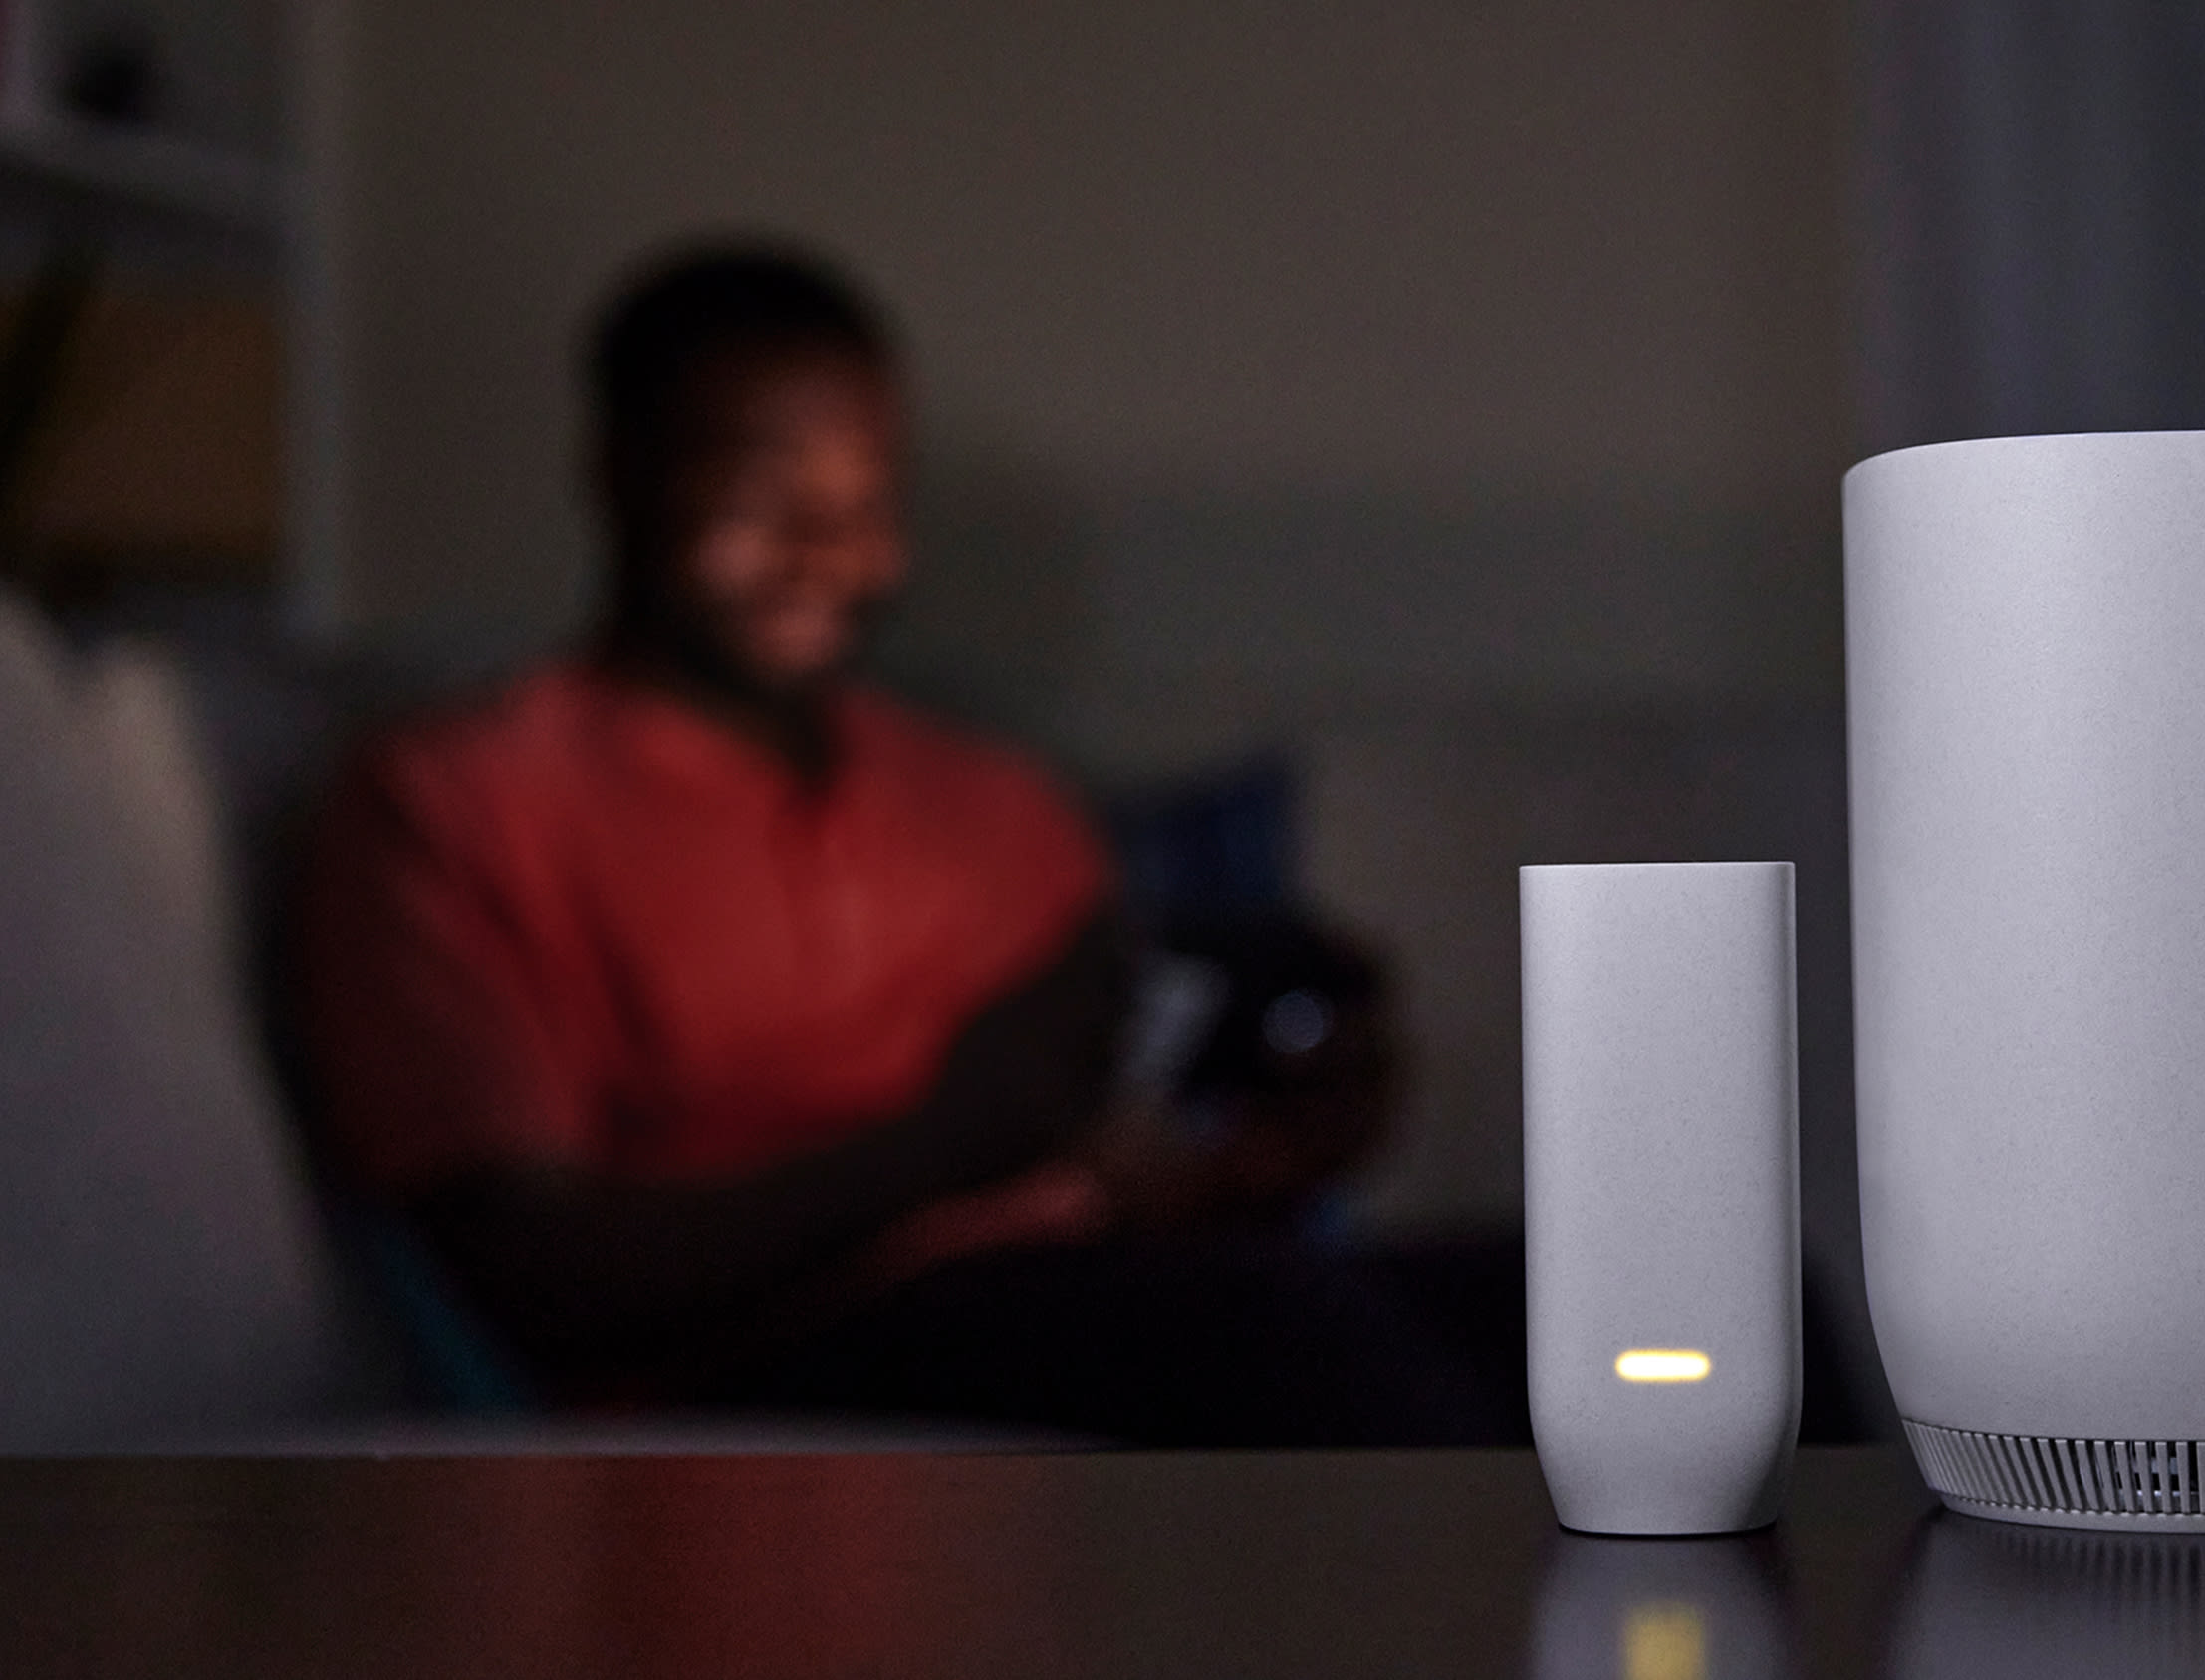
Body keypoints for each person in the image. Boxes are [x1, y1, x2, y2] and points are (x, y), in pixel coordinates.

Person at [295, 244, 1494, 1444]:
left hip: (1114, 1287)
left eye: (866, 503)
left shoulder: (998, 802)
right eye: (763, 501)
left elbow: (1112, 1166)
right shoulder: (457, 803)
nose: (830, 553)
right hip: (782, 1351)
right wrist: (955, 1134)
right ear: (617, 471)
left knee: (1558, 1311)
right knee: (1273, 1336)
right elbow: (546, 1276)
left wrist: (1265, 1154)